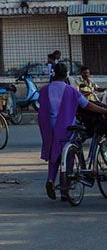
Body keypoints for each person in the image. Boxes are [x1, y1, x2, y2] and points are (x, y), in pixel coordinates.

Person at [38, 61, 107, 200]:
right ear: (66, 75)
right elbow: (87, 105)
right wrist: (104, 110)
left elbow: (40, 104)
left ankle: (50, 180)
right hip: (65, 125)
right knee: (69, 152)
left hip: (47, 126)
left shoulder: (44, 89)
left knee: (53, 153)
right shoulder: (70, 90)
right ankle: (66, 187)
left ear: (54, 74)